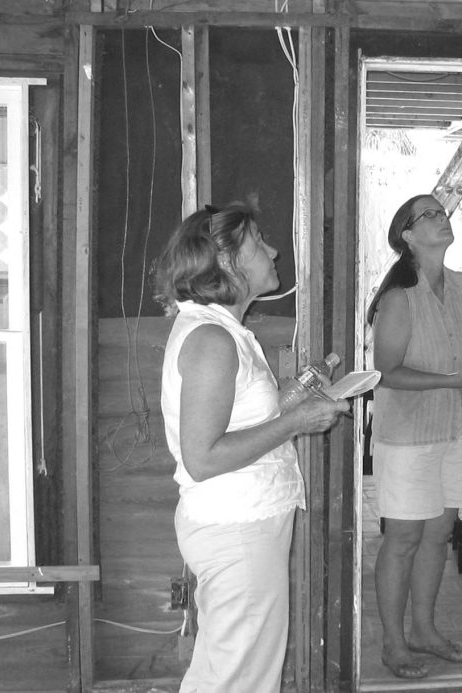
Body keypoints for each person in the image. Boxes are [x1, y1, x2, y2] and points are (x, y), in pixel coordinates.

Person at [154, 201, 347, 692]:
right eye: (258, 242)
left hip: (246, 525)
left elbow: (245, 419)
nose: (273, 249)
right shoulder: (212, 340)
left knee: (238, 671)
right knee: (236, 677)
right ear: (226, 261)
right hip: (236, 531)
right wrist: (296, 422)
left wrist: (298, 395)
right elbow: (203, 458)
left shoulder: (224, 331)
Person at [367, 193, 462, 680]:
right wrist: (455, 381)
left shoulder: (461, 285)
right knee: (404, 539)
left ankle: (424, 631)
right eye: (430, 215)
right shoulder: (398, 297)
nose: (443, 218)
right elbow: (385, 372)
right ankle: (394, 644)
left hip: (459, 428)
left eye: (443, 211)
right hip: (408, 436)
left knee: (439, 535)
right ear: (408, 236)